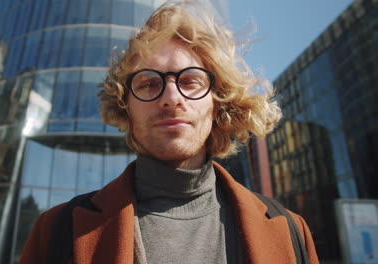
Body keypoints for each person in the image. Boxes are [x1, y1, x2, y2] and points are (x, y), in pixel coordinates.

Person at [20, 2, 319, 263]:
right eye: (149, 83)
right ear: (126, 107)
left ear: (218, 103)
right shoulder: (55, 231)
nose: (171, 97)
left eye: (190, 81)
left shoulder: (291, 232)